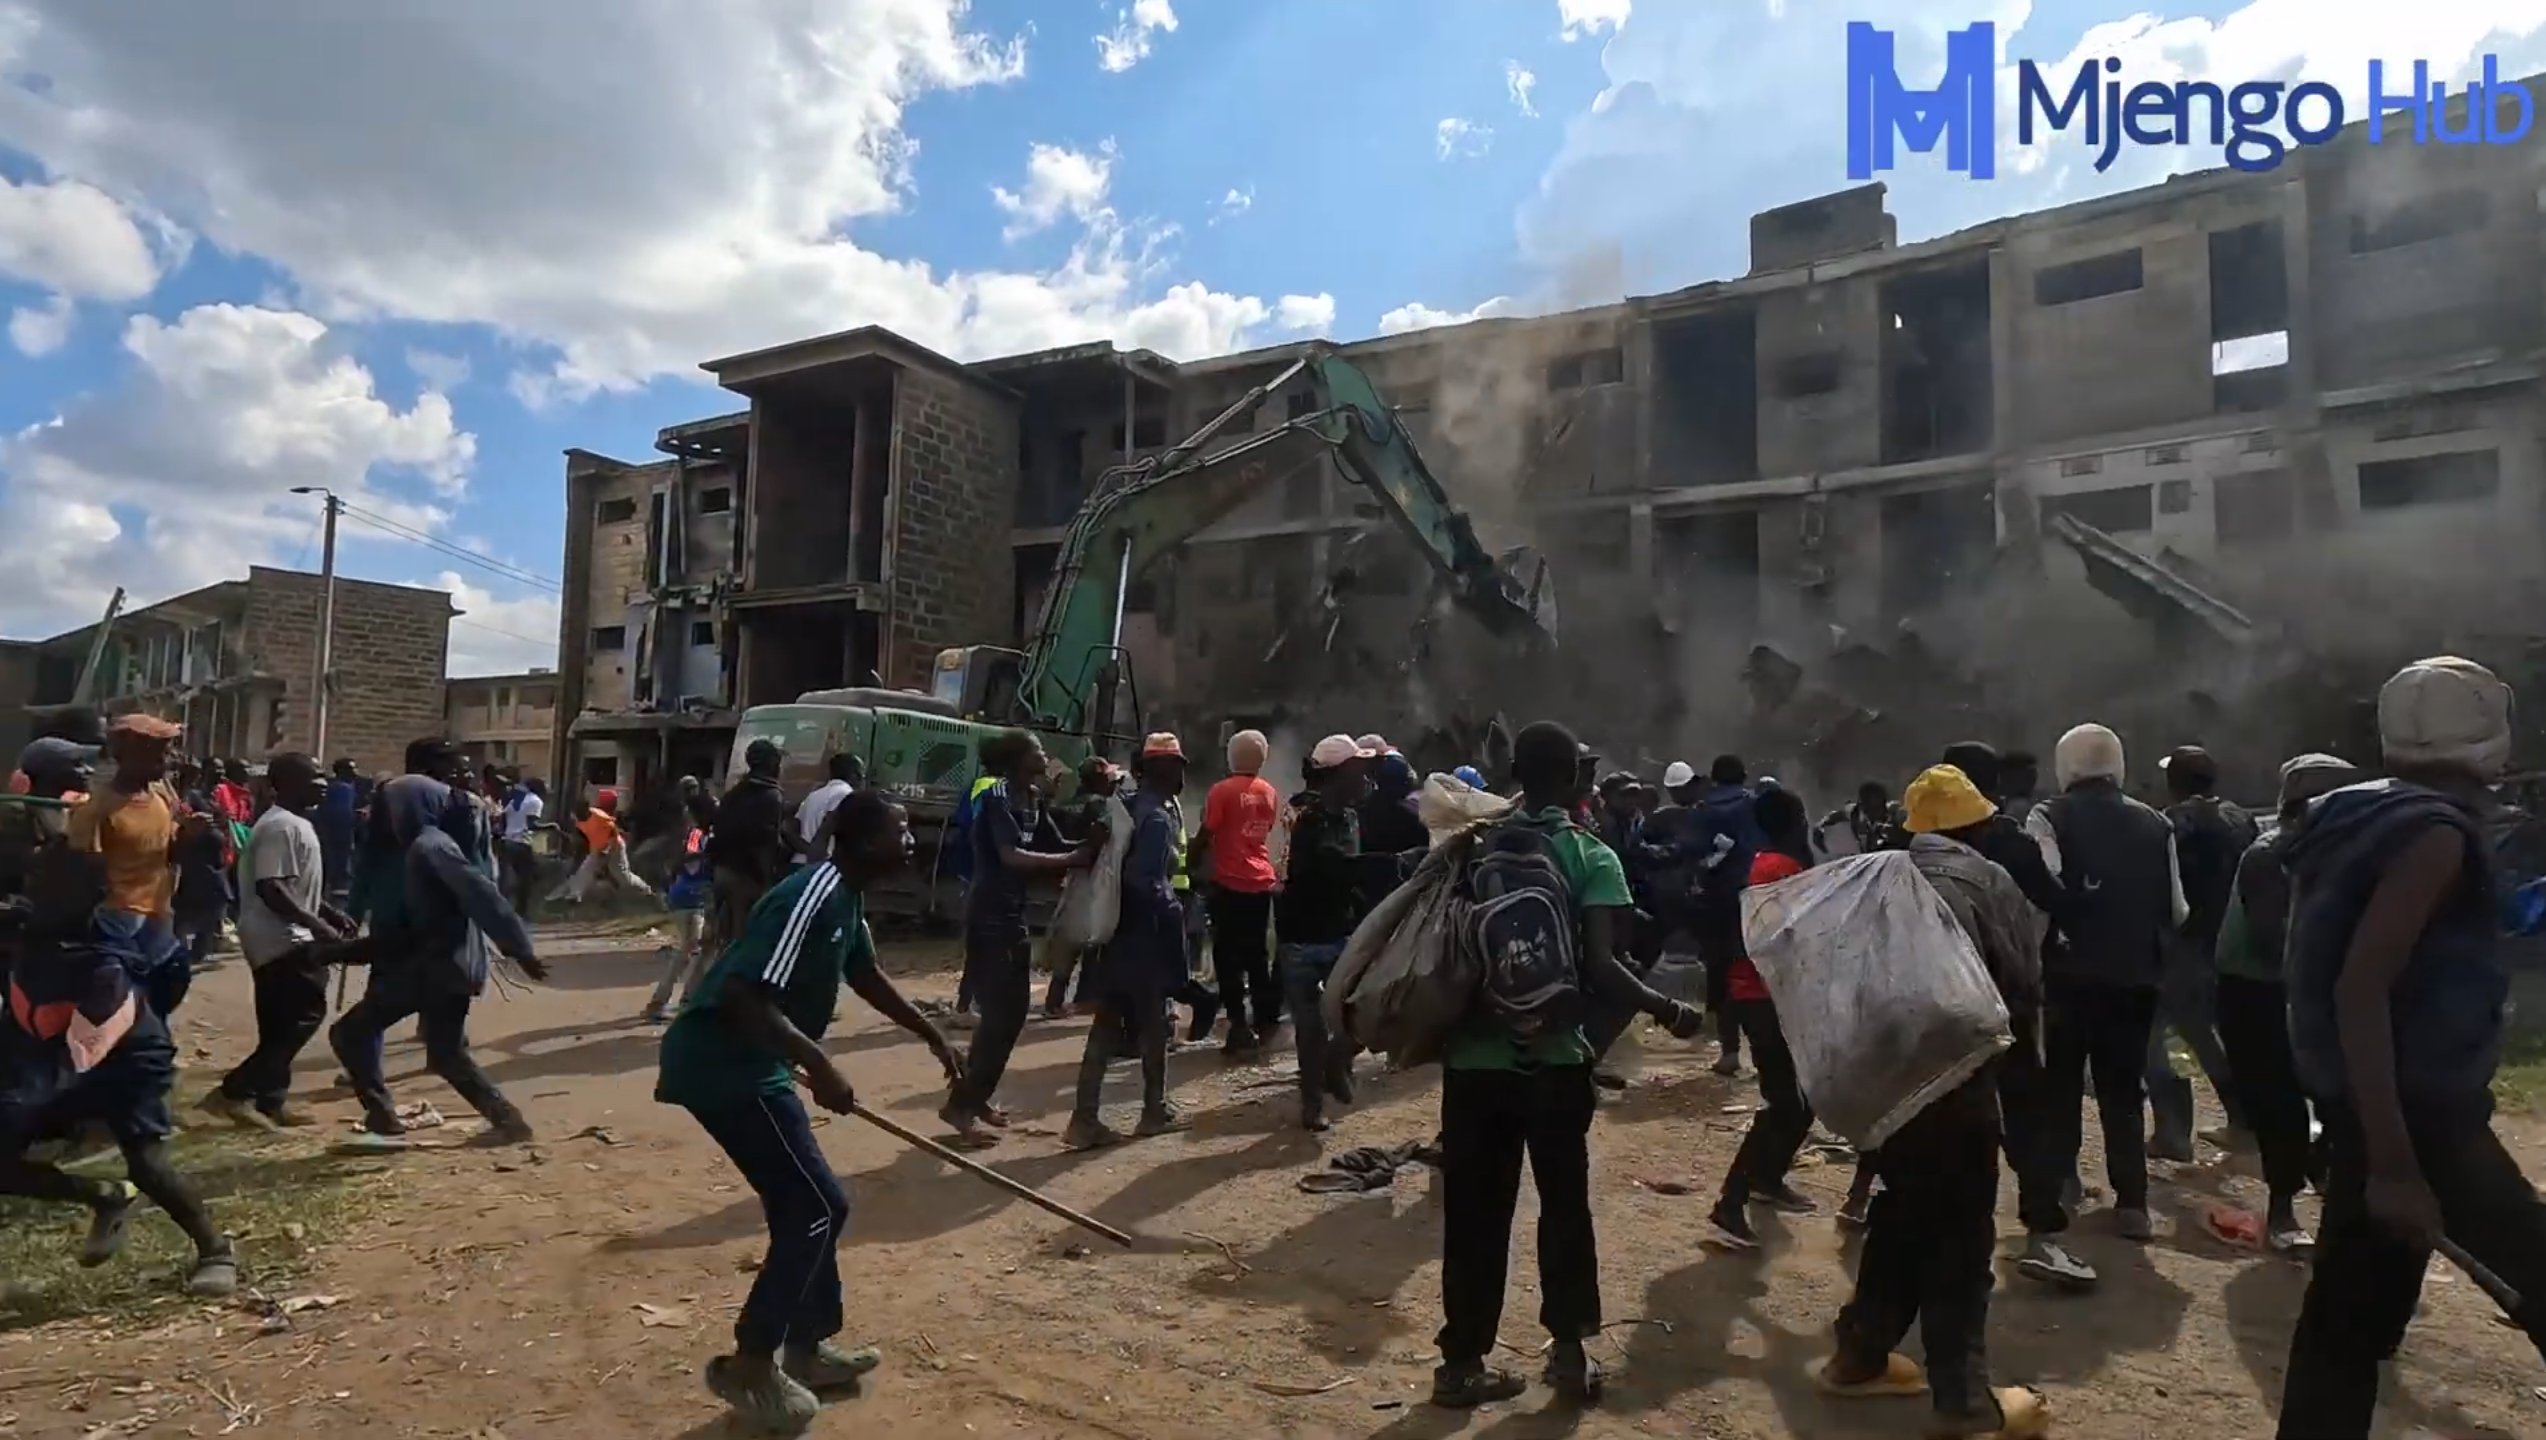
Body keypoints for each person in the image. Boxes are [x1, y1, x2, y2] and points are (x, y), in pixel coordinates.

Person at [2270, 660, 2546, 1436]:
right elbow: (2362, 990)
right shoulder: (2433, 836)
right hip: (2422, 1126)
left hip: (2363, 1110)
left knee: (2343, 1332)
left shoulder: (2349, 815)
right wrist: (2395, 1168)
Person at [655, 791, 966, 1432]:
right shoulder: (813, 895)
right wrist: (821, 1066)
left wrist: (930, 1032)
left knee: (813, 1205)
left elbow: (867, 974)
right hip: (724, 1064)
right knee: (815, 1207)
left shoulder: (845, 897)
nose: (910, 841)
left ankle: (807, 1345)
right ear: (858, 840)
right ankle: (751, 1363)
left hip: (753, 1061)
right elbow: (742, 994)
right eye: (899, 830)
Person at [1430, 720, 1703, 1408]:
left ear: (1515, 772)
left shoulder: (1471, 844)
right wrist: (1668, 1010)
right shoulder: (1589, 855)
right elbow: (1605, 968)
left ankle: (1461, 1364)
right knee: (1563, 1208)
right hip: (1554, 1061)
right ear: (1578, 780)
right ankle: (1572, 1357)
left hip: (1474, 1062)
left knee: (1473, 1214)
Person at [1820, 764, 2048, 1440]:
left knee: (1905, 1211)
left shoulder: (1870, 880)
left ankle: (1859, 1357)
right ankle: (1963, 1400)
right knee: (1962, 1235)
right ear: (1975, 825)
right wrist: (2026, 1083)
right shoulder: (1986, 879)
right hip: (1961, 1086)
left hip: (1888, 1082)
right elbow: (2022, 982)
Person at [1, 773, 238, 1298]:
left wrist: (25, 1096)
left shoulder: (107, 951)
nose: (38, 889)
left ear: (88, 898)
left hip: (125, 1055)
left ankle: (216, 1250)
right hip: (51, 1052)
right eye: (37, 881)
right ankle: (103, 1194)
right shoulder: (29, 931)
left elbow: (88, 1040)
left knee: (148, 1162)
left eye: (53, 885)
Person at [2018, 722, 2186, 1273]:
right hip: (2136, 977)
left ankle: (2065, 1183)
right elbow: (2177, 909)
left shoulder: (2048, 817)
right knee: (2123, 1089)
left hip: (2068, 976)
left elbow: (2043, 893)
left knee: (2062, 1082)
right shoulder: (2156, 822)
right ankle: (2133, 1203)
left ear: (2066, 766)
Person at [329, 741, 547, 1146]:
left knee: (352, 1032)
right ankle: (508, 1120)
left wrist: (518, 946)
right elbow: (369, 874)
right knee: (445, 1052)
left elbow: (482, 889)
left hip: (432, 960)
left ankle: (381, 1114)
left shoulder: (434, 843)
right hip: (437, 956)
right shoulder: (423, 835)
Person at [1924, 740, 2070, 1247]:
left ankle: (1865, 1199)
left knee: (1916, 1103)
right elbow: (2051, 905)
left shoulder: (1903, 846)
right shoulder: (2006, 846)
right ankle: (2040, 1233)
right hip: (2001, 998)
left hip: (1925, 1002)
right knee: (2025, 1111)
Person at [2217, 752, 2355, 1254]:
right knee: (2279, 1102)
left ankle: (2321, 1179)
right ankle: (2282, 1207)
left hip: (2313, 985)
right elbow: (2275, 937)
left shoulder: (2343, 853)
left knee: (2338, 1096)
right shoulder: (2268, 855)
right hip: (2256, 991)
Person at [942, 730, 1097, 1139]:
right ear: (1016, 759)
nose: (1045, 755)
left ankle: (971, 1099)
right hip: (990, 916)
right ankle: (962, 1106)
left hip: (1011, 915)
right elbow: (1013, 857)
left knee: (1006, 1017)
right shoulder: (996, 799)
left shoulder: (1031, 799)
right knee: (1002, 1017)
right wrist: (1075, 856)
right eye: (1037, 750)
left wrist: (1093, 843)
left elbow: (1059, 845)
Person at [202, 753, 353, 1129]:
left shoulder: (296, 824)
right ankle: (234, 1092)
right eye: (314, 777)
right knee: (304, 1015)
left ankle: (270, 1102)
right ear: (284, 784)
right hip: (281, 938)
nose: (323, 783)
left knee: (281, 1025)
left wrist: (328, 911)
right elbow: (271, 888)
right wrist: (316, 924)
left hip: (289, 933)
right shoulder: (280, 827)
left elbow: (293, 883)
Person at [1063, 734, 1197, 1149]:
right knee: (1154, 1024)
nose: (1181, 775)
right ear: (1167, 771)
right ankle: (1154, 1111)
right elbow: (1146, 881)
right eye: (1177, 767)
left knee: (1106, 1024)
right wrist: (1174, 913)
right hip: (1144, 937)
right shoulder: (1156, 817)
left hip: (1115, 932)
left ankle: (1084, 1119)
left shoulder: (1127, 807)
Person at [1708, 785, 1822, 1249]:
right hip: (1764, 995)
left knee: (1801, 1098)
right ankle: (1729, 1202)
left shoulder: (1770, 864)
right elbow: (1783, 939)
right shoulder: (1780, 869)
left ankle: (1766, 1180)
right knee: (1786, 1102)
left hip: (1764, 993)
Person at [2148, 744, 2255, 1160]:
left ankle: (2173, 1131)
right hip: (2228, 942)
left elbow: (2163, 888)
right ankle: (2242, 1117)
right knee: (2207, 1034)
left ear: (2172, 782)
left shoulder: (2171, 824)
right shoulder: (2240, 817)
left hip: (2181, 942)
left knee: (2155, 1038)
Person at [1274, 734, 1378, 1132]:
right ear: (1338, 774)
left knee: (1362, 1013)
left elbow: (1347, 872)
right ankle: (1312, 1104)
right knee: (1310, 1028)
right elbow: (1328, 867)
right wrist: (1385, 866)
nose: (1366, 778)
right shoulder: (1302, 816)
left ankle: (1338, 1061)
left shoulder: (1348, 816)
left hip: (1340, 931)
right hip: (1302, 937)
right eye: (1359, 771)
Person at [69, 715, 199, 1022]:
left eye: (166, 752)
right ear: (123, 755)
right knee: (118, 1010)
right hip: (115, 922)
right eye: (155, 752)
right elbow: (81, 873)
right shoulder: (95, 808)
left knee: (160, 997)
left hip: (158, 918)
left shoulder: (164, 799)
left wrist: (191, 837)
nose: (165, 760)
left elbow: (169, 856)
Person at [1194, 728, 1281, 1055]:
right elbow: (1263, 828)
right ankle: (1264, 1021)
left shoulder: (1221, 790)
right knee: (1257, 955)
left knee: (1227, 957)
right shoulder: (1269, 791)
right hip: (1261, 883)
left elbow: (1208, 831)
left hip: (1229, 883)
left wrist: (1192, 859)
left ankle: (1238, 1027)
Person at [1689, 754, 1764, 1075]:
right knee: (1758, 972)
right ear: (1744, 775)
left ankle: (1729, 1051)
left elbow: (1695, 852)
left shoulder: (1704, 811)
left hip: (1719, 901)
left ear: (1714, 778)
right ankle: (1765, 1051)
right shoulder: (1756, 805)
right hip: (1759, 893)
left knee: (1722, 973)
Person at [1043, 757, 1124, 1017]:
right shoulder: (1100, 805)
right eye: (1110, 779)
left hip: (1069, 873)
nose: (1114, 784)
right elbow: (1102, 834)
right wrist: (1091, 855)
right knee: (1094, 937)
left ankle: (1054, 1001)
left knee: (1068, 940)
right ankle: (1084, 1000)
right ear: (1099, 779)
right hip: (1092, 876)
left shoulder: (1068, 804)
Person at [712, 741, 797, 952]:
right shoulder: (771, 796)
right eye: (777, 761)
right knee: (747, 941)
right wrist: (768, 882)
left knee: (725, 938)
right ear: (771, 764)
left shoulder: (735, 793)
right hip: (747, 876)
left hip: (722, 871)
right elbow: (765, 844)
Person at [642, 817, 716, 1024]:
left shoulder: (712, 835)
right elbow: (689, 856)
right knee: (688, 949)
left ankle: (689, 998)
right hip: (689, 898)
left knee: (707, 946)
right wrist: (712, 854)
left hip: (698, 898)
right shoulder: (698, 834)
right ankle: (658, 1003)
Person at [549, 787, 652, 905]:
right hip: (597, 848)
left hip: (614, 847)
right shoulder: (578, 819)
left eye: (578, 812)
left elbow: (613, 835)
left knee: (623, 876)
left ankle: (645, 890)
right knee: (586, 868)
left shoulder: (600, 818)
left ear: (586, 809)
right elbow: (582, 836)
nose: (576, 815)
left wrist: (606, 851)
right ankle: (574, 896)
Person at [793, 753, 860, 863]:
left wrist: (806, 848)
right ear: (854, 775)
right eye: (861, 776)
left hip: (799, 861)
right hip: (820, 865)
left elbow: (793, 827)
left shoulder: (813, 795)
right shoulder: (847, 795)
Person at [1813, 781, 1907, 859]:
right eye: (1871, 809)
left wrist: (1897, 836)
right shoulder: (1855, 813)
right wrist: (1820, 826)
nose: (1876, 814)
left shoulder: (1896, 813)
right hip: (1869, 861)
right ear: (1862, 806)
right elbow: (1836, 815)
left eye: (1879, 808)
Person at [497, 774, 547, 916]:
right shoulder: (536, 801)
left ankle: (503, 910)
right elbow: (532, 824)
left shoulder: (516, 800)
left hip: (507, 842)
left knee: (506, 879)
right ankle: (521, 913)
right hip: (522, 843)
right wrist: (552, 827)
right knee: (526, 880)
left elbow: (504, 817)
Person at [319, 758, 363, 906]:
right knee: (341, 873)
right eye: (351, 769)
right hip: (339, 838)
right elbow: (342, 816)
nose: (355, 773)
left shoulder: (341, 788)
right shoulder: (341, 789)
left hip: (334, 837)